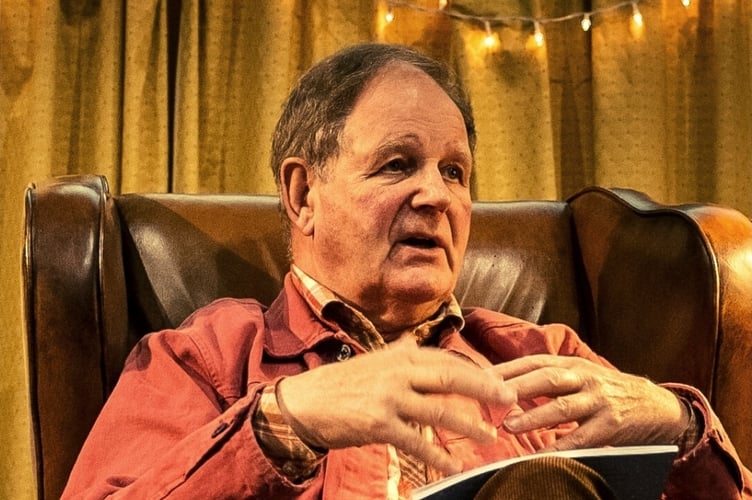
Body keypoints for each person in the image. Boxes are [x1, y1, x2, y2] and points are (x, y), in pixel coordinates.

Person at [63, 42, 751, 499]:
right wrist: (285, 423)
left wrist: (680, 428)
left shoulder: (546, 359)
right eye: (398, 164)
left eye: (455, 172)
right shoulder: (204, 358)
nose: (437, 195)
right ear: (303, 195)